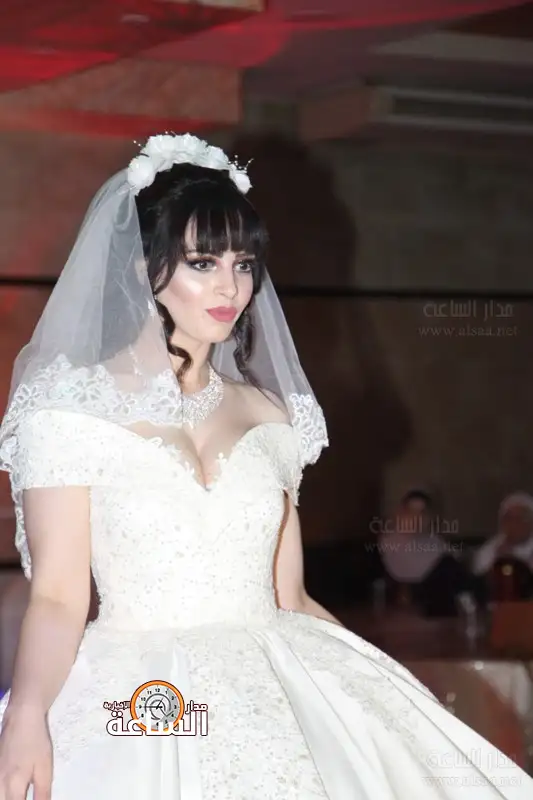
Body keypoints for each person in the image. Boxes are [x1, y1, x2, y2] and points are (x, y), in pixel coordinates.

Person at [0, 134, 530, 800]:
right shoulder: (69, 413)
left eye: (243, 263)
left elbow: (291, 597)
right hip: (138, 700)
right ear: (141, 266)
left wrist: (387, 694)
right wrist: (27, 715)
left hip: (275, 679)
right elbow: (57, 596)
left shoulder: (271, 416)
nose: (231, 286)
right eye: (202, 262)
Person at [377, 490, 470, 616]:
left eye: (421, 513)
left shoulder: (432, 539)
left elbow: (456, 556)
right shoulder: (388, 540)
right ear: (401, 513)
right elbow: (406, 572)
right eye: (411, 512)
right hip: (421, 593)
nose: (416, 518)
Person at [472, 492, 533, 602]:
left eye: (521, 518)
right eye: (509, 518)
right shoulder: (489, 550)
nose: (514, 524)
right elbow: (479, 588)